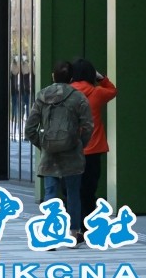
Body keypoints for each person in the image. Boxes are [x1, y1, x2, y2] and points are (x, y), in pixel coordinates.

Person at [25, 60, 93, 246]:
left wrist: (43, 144)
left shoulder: (42, 96)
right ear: (71, 78)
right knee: (73, 193)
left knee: (50, 192)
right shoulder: (78, 97)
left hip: (50, 153)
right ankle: (74, 233)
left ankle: (50, 233)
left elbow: (29, 129)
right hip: (72, 152)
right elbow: (88, 126)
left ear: (53, 76)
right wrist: (79, 144)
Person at [70, 57, 118, 230]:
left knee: (72, 189)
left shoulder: (67, 93)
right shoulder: (97, 93)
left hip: (71, 150)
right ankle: (88, 225)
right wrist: (101, 78)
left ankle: (74, 224)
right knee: (89, 190)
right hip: (93, 149)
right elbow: (113, 90)